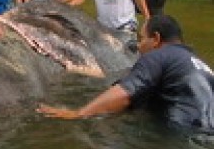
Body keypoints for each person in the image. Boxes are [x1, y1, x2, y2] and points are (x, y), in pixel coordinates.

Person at [36, 15, 214, 130]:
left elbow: (126, 93)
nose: (138, 46)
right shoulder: (199, 64)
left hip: (186, 133)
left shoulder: (158, 56)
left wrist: (79, 113)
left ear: (156, 39)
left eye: (142, 38)